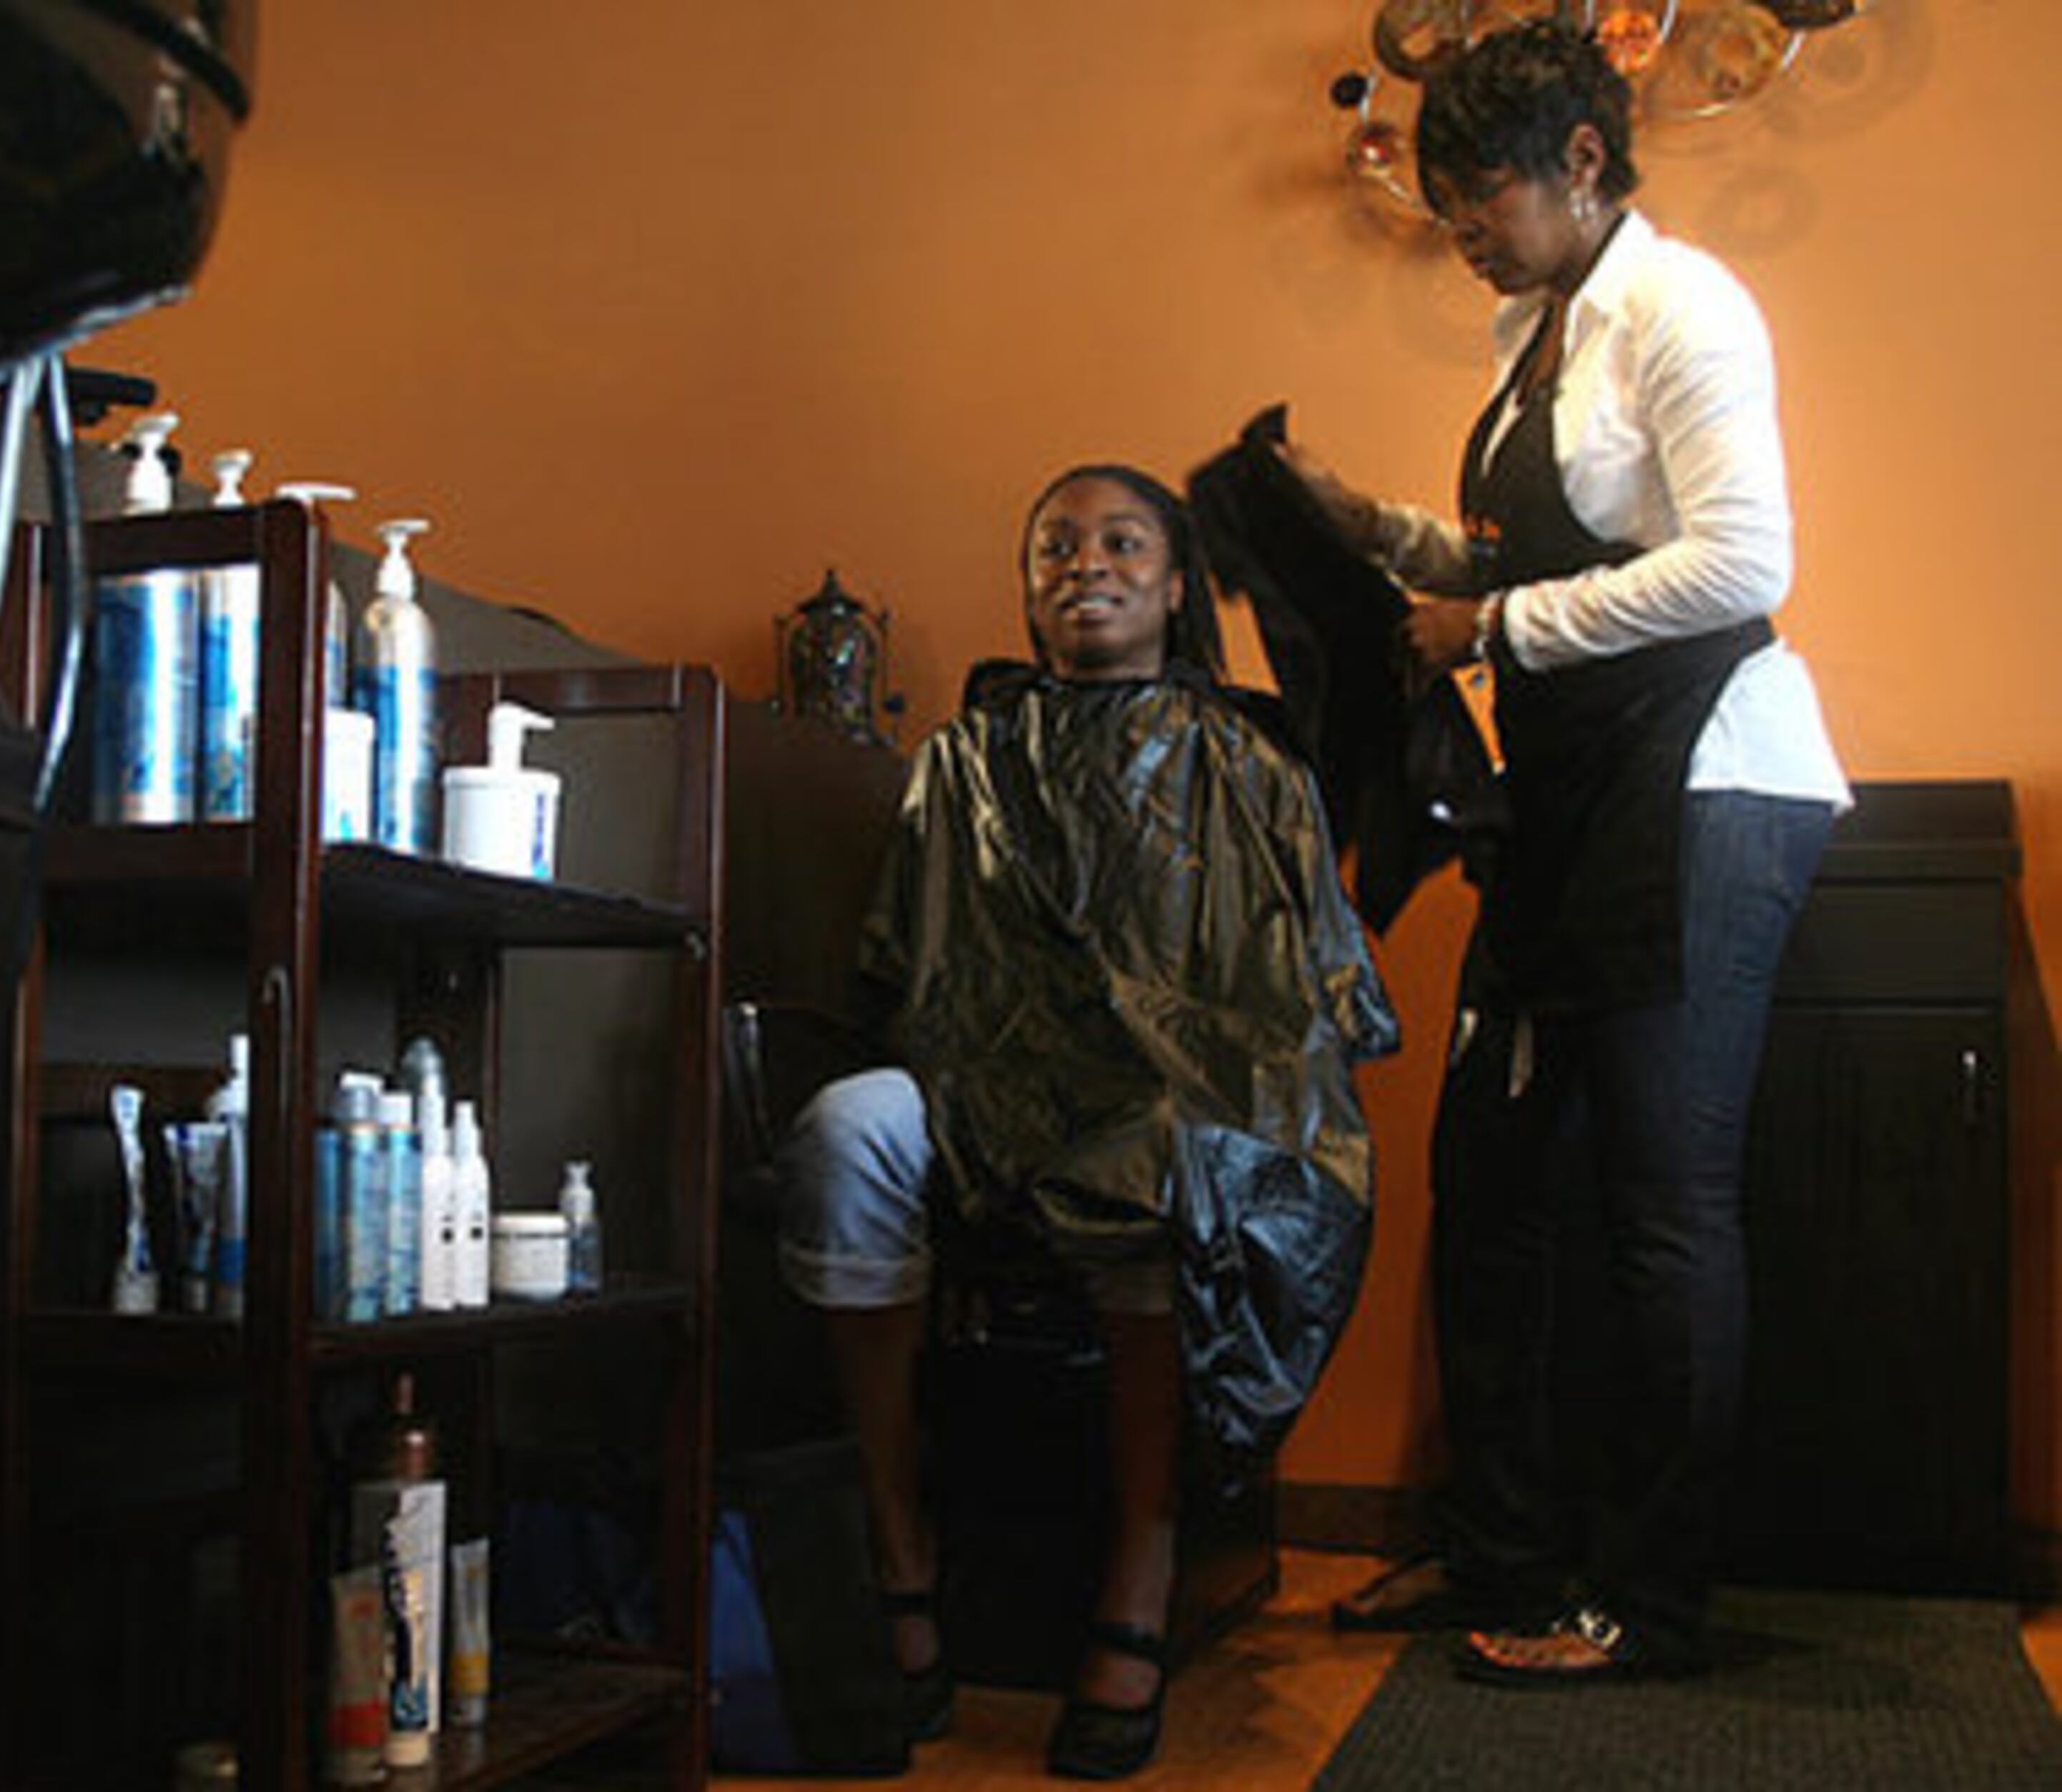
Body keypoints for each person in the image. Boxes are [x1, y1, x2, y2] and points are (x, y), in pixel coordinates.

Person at [1281, 21, 1848, 1684]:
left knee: (1664, 1209)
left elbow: (1742, 563)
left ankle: (1652, 1609)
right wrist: (1370, 528)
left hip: (1709, 789)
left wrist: (1497, 621)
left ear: (1586, 162)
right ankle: (1503, 1558)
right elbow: (1515, 550)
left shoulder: (1685, 309)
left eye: (1484, 191)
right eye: (1447, 193)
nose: (1461, 224)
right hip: (1577, 801)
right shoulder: (1542, 337)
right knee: (1496, 1190)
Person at [777, 465, 1397, 1778]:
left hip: (1174, 1117)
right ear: (1029, 587)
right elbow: (908, 975)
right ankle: (902, 1549)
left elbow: (1295, 1002)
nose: (1086, 563)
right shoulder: (963, 761)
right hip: (984, 1098)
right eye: (1054, 545)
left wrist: (1184, 1079)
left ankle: (1145, 1549)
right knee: (841, 1134)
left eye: (1123, 542)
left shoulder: (1249, 761)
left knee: (1159, 1158)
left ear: (1177, 586)